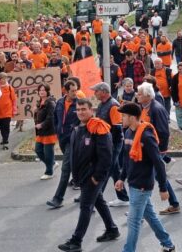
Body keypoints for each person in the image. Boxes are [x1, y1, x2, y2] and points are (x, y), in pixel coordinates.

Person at [57, 99, 118, 252]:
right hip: (84, 175)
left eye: (84, 109)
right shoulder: (80, 127)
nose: (80, 112)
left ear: (92, 110)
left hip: (93, 177)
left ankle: (76, 241)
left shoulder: (99, 127)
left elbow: (106, 157)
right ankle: (112, 229)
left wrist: (97, 177)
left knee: (85, 206)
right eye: (78, 110)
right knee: (99, 202)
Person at [116, 102, 175, 252]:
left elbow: (159, 163)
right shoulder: (129, 132)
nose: (121, 118)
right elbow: (126, 158)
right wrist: (121, 178)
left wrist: (163, 188)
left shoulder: (146, 136)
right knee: (150, 216)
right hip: (133, 182)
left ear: (132, 117)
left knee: (133, 221)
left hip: (142, 185)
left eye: (123, 116)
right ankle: (168, 244)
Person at [136, 83, 180, 215]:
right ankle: (174, 203)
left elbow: (163, 132)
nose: (137, 96)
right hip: (149, 148)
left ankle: (141, 208)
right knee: (158, 175)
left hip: (156, 149)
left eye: (139, 94)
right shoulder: (144, 107)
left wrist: (158, 150)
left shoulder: (156, 109)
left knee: (151, 175)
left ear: (148, 96)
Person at [91, 82, 129, 208]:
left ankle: (95, 198)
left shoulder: (113, 106)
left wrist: (109, 144)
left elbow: (118, 128)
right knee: (114, 170)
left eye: (96, 91)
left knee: (106, 169)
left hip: (113, 143)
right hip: (107, 142)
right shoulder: (103, 104)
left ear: (103, 91)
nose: (94, 93)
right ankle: (123, 197)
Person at [47, 80, 80, 209]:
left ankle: (58, 198)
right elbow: (55, 117)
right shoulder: (60, 102)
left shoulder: (79, 104)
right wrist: (57, 130)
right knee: (77, 166)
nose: (75, 93)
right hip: (62, 138)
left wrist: (75, 131)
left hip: (74, 140)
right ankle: (84, 188)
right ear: (66, 91)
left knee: (65, 168)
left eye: (76, 90)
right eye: (72, 91)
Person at [34, 84, 57, 180]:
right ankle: (52, 163)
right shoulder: (40, 102)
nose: (41, 92)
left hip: (49, 131)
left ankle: (49, 172)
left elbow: (51, 117)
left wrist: (42, 125)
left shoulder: (50, 103)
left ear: (47, 91)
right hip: (41, 132)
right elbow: (38, 116)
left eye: (43, 90)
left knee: (48, 153)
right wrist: (35, 111)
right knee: (38, 150)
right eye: (40, 90)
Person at [0, 73, 16, 150]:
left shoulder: (10, 88)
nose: (4, 80)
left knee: (6, 126)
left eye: (5, 78)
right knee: (1, 126)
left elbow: (13, 100)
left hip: (7, 110)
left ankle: (5, 140)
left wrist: (14, 110)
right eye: (2, 79)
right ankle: (4, 137)